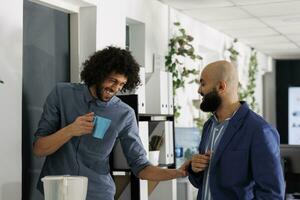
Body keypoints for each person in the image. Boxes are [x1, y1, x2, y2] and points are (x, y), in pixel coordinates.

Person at [33, 46, 190, 200]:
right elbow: (39, 149)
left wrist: (178, 172)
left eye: (121, 84)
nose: (115, 88)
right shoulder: (62, 94)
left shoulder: (124, 114)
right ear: (98, 73)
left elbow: (140, 166)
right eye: (112, 80)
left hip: (97, 193)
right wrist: (70, 130)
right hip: (58, 192)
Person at [188, 60, 285, 200]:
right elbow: (204, 182)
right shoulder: (209, 126)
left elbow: (272, 194)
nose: (199, 90)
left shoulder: (259, 130)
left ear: (221, 86)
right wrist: (195, 169)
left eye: (203, 84)